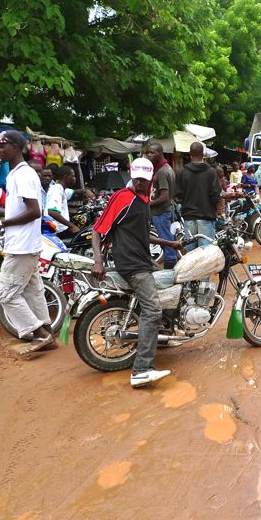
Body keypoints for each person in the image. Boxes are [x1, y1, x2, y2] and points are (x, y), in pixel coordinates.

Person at [91, 158, 184, 388]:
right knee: (153, 310)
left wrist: (169, 244)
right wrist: (98, 261)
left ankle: (162, 338)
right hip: (132, 264)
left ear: (152, 178)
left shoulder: (143, 200)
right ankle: (141, 369)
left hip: (144, 260)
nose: (140, 182)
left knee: (173, 285)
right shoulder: (122, 197)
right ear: (132, 175)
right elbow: (97, 230)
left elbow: (142, 234)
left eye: (145, 178)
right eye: (137, 178)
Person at [0, 130, 56, 357]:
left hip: (22, 247)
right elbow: (21, 209)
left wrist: (1, 224)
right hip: (25, 244)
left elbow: (34, 211)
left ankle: (39, 334)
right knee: (34, 290)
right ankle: (47, 333)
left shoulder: (23, 174)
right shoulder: (16, 173)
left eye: (2, 145)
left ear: (15, 146)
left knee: (5, 294)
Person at [174, 141, 222, 249]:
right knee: (205, 253)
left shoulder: (181, 172)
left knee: (191, 255)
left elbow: (178, 196)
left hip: (188, 217)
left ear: (190, 154)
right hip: (206, 217)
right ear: (203, 154)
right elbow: (215, 196)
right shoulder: (211, 172)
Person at [145, 142, 178, 269]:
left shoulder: (162, 172)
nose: (149, 155)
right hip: (166, 211)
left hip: (161, 213)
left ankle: (169, 274)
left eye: (152, 153)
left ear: (160, 153)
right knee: (171, 242)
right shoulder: (165, 168)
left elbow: (164, 197)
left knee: (168, 244)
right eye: (148, 153)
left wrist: (148, 203)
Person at [46, 165, 94, 235]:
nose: (75, 178)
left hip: (62, 229)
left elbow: (75, 192)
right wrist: (71, 226)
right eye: (73, 176)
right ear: (66, 177)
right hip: (58, 231)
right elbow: (51, 211)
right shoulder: (56, 190)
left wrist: (86, 191)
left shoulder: (62, 190)